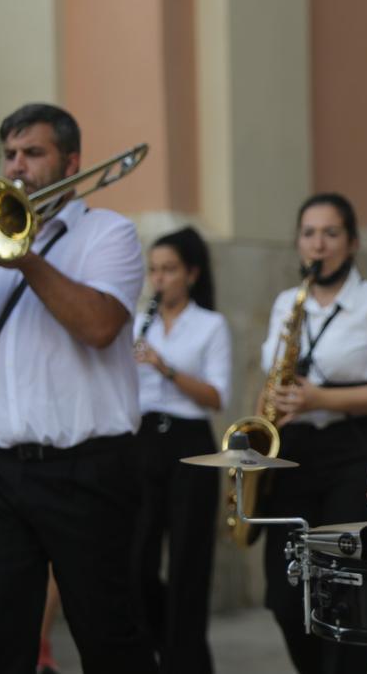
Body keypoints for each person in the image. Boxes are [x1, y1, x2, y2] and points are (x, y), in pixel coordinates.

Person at [0, 103, 157, 674]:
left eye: (33, 153)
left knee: (108, 635)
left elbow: (100, 326)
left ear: (71, 161)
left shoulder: (108, 233)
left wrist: (23, 258)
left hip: (87, 470)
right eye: (9, 154)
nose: (17, 166)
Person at [261, 192, 367, 674]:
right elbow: (271, 379)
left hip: (355, 450)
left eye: (331, 234)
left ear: (351, 243)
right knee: (285, 598)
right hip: (293, 452)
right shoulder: (288, 303)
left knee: (348, 593)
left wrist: (321, 399)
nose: (318, 244)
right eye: (309, 234)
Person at [131, 226, 231, 673]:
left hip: (191, 444)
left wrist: (165, 368)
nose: (160, 279)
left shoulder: (211, 325)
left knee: (189, 563)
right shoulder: (139, 323)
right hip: (143, 439)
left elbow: (216, 396)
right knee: (137, 562)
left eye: (169, 270)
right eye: (154, 270)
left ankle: (185, 660)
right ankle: (169, 652)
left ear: (190, 273)